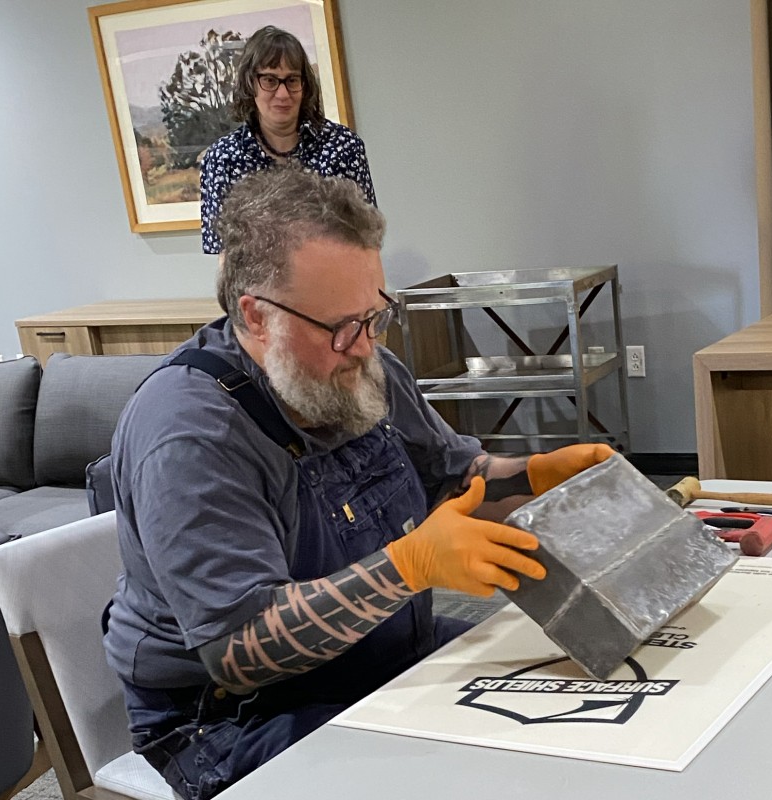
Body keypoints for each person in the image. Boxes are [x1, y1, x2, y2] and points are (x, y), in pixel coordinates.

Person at [103, 167, 614, 800]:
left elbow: (458, 479)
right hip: (233, 718)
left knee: (577, 704)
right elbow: (238, 648)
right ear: (256, 316)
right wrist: (409, 566)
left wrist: (536, 474)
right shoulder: (190, 433)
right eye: (343, 327)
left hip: (382, 656)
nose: (365, 345)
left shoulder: (364, 364)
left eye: (376, 317)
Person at [198, 25, 376, 254]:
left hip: (335, 285)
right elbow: (226, 259)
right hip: (258, 289)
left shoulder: (344, 147)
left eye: (292, 80)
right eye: (270, 80)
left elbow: (368, 242)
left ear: (304, 85)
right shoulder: (222, 159)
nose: (282, 94)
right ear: (250, 83)